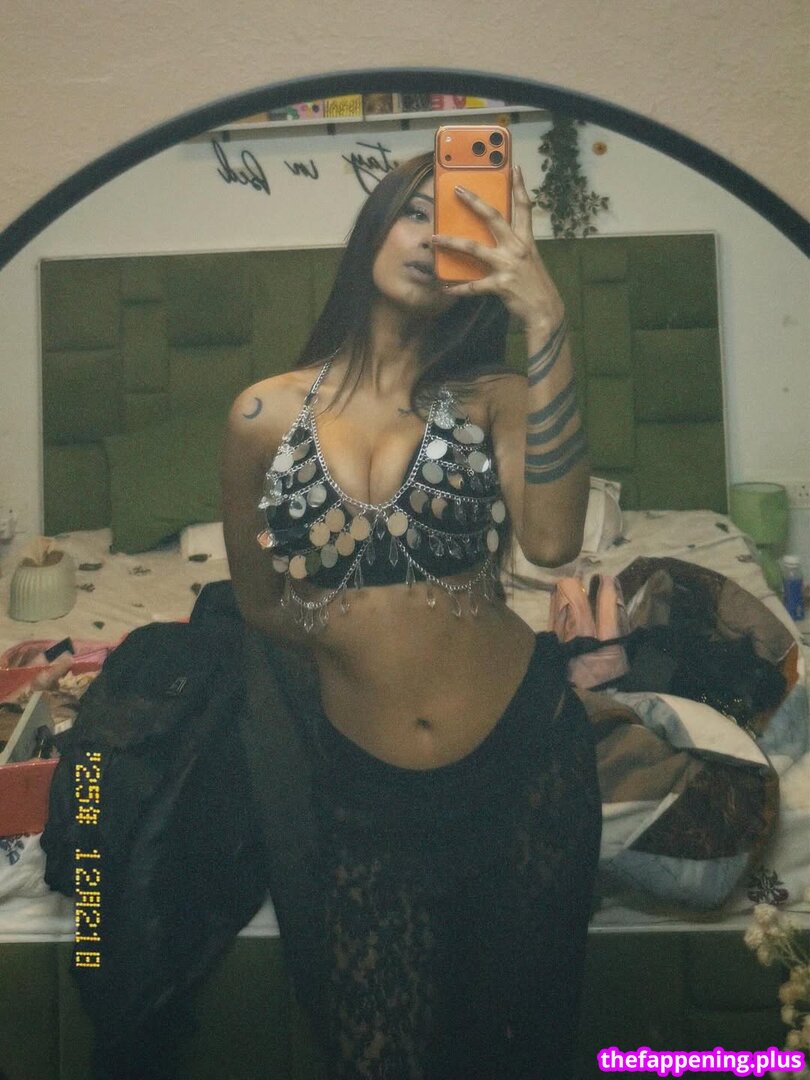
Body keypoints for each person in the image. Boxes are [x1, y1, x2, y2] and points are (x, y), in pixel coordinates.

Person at [221, 149, 602, 1080]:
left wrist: (545, 317)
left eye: (461, 224)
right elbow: (258, 597)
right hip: (367, 791)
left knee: (522, 1048)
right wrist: (355, 639)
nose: (434, 239)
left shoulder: (497, 399)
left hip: (526, 760)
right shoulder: (263, 414)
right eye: (416, 212)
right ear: (373, 230)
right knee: (379, 1056)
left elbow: (553, 542)